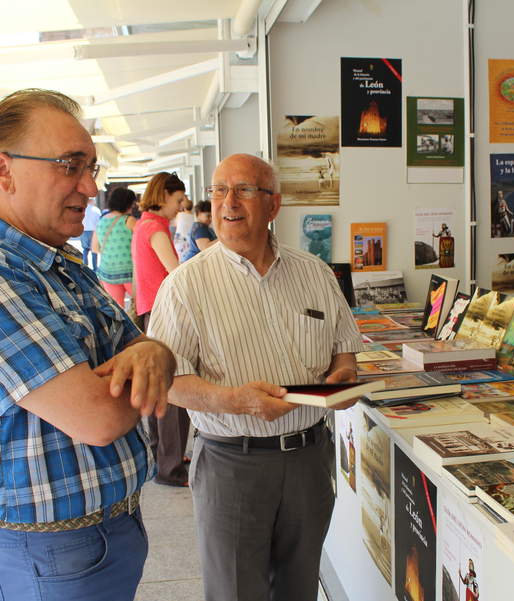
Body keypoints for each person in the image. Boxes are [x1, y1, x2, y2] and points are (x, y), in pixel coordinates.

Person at [0, 88, 176, 601]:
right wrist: (143, 361)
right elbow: (98, 417)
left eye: (92, 167)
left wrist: (154, 353)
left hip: (103, 534)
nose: (89, 186)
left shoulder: (58, 261)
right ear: (2, 170)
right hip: (45, 557)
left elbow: (145, 350)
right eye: (69, 165)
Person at [148, 153, 364, 601]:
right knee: (235, 592)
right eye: (219, 190)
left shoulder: (316, 274)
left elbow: (345, 352)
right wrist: (236, 401)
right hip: (232, 465)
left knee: (298, 588)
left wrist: (344, 378)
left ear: (274, 205)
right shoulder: (185, 286)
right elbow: (169, 381)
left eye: (244, 189)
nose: (228, 202)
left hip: (309, 459)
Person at [131, 171, 191, 486]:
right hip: (163, 312)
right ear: (163, 195)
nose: (181, 207)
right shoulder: (155, 228)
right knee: (174, 388)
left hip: (149, 311)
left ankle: (163, 459)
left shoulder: (142, 224)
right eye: (178, 200)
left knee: (161, 387)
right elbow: (175, 273)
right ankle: (171, 467)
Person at [93, 187, 137, 307]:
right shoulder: (129, 220)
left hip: (108, 273)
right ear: (127, 203)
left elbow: (95, 248)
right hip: (130, 273)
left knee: (118, 309)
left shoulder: (101, 221)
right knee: (140, 308)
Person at [81, 196, 101, 269]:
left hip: (83, 231)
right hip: (93, 231)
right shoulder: (96, 210)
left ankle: (84, 266)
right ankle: (95, 268)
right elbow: (99, 222)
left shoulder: (83, 209)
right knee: (94, 250)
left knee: (85, 249)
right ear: (92, 201)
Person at [173, 196, 195, 261]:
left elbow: (175, 225)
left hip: (179, 241)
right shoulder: (194, 217)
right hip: (188, 242)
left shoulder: (179, 215)